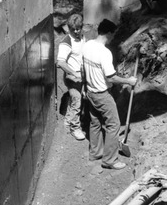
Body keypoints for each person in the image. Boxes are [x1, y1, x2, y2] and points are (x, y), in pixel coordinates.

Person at [82, 19, 137, 170]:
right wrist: (129, 81)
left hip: (90, 92)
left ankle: (95, 153)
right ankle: (110, 160)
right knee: (114, 125)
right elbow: (111, 77)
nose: (113, 37)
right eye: (113, 34)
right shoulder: (104, 53)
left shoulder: (87, 45)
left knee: (95, 122)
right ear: (109, 33)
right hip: (102, 94)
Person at [57, 13, 86, 141]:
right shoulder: (66, 42)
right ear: (68, 28)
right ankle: (75, 128)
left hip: (82, 75)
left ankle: (69, 119)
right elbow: (61, 62)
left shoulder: (82, 38)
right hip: (72, 78)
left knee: (79, 98)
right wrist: (74, 74)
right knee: (77, 101)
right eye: (73, 29)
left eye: (78, 28)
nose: (76, 31)